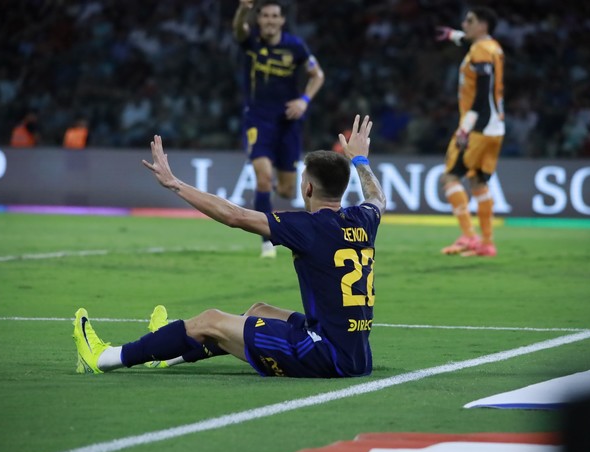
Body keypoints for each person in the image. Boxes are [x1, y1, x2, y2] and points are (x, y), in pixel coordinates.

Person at [72, 114, 386, 378]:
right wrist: (360, 159)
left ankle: (105, 358)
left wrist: (175, 184)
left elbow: (234, 216)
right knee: (258, 311)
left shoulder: (307, 227)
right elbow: (377, 198)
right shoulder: (364, 218)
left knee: (211, 319)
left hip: (322, 353)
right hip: (357, 353)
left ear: (307, 187)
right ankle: (168, 353)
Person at [233, 0, 325, 258]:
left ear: (282, 20)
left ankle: (270, 202)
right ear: (259, 20)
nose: (270, 20)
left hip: (288, 121)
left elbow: (318, 75)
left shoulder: (295, 46)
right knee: (263, 177)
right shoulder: (251, 43)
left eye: (275, 16)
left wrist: (304, 101)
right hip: (258, 119)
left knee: (285, 189)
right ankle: (266, 242)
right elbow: (238, 29)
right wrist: (243, 9)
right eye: (265, 16)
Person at [435, 7, 505, 257]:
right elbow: (467, 39)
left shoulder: (480, 51)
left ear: (483, 25)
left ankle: (468, 236)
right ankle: (487, 243)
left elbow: (481, 94)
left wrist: (466, 129)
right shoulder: (493, 47)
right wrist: (453, 35)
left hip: (477, 126)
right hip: (495, 127)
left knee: (451, 177)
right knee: (477, 181)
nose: (464, 23)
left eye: (470, 20)